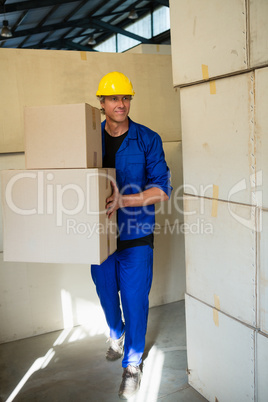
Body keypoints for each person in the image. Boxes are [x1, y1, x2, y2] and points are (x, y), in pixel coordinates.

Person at [91, 71, 172, 399]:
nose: (121, 104)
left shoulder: (148, 139)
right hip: (97, 236)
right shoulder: (87, 139)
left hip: (136, 232)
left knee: (135, 300)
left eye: (126, 98)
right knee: (107, 293)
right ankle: (116, 331)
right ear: (102, 103)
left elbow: (162, 190)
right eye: (113, 98)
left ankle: (133, 362)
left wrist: (126, 199)